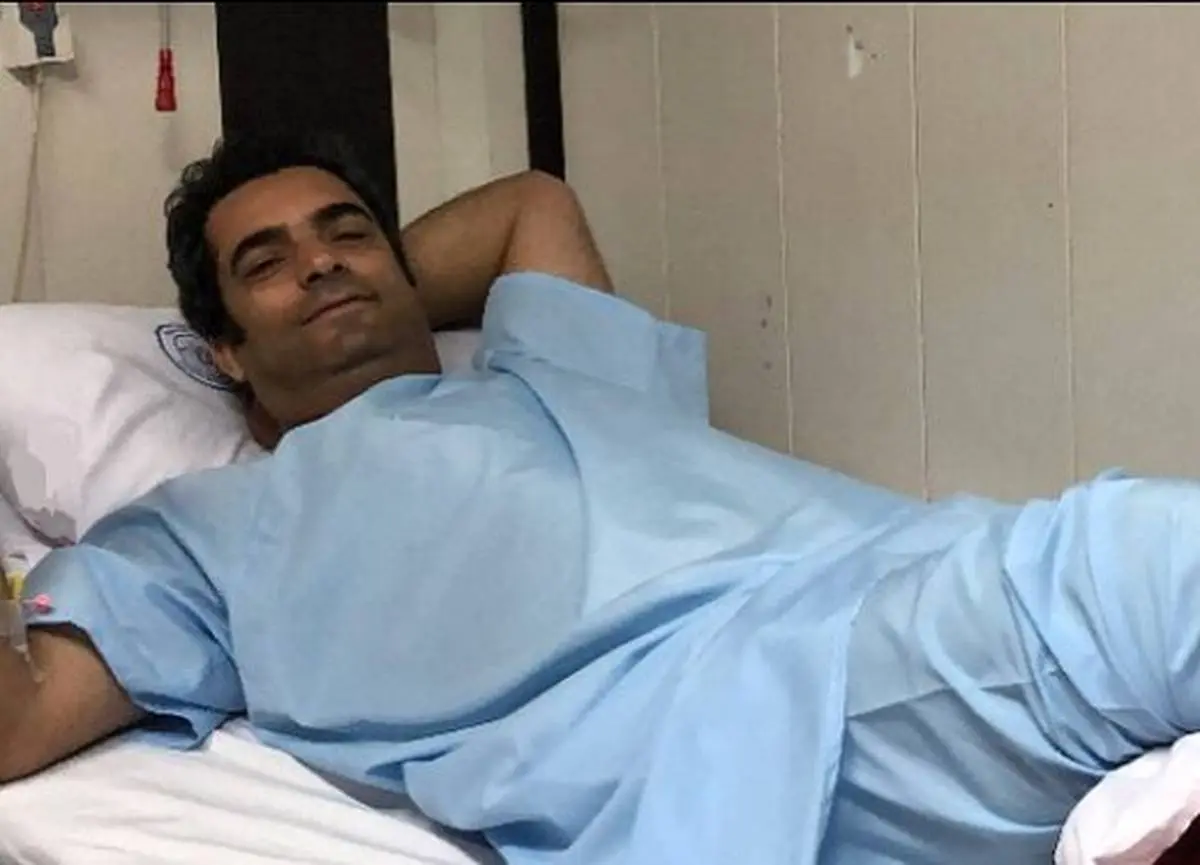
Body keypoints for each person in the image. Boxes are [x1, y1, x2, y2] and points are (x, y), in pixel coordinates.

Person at [1, 129, 1198, 865]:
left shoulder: (553, 368)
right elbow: (20, 721)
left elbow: (530, 201)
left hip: (910, 574)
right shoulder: (205, 534)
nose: (319, 261)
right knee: (1136, 558)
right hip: (766, 712)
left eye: (345, 233)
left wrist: (368, 281)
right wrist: (350, 284)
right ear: (220, 350)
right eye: (266, 263)